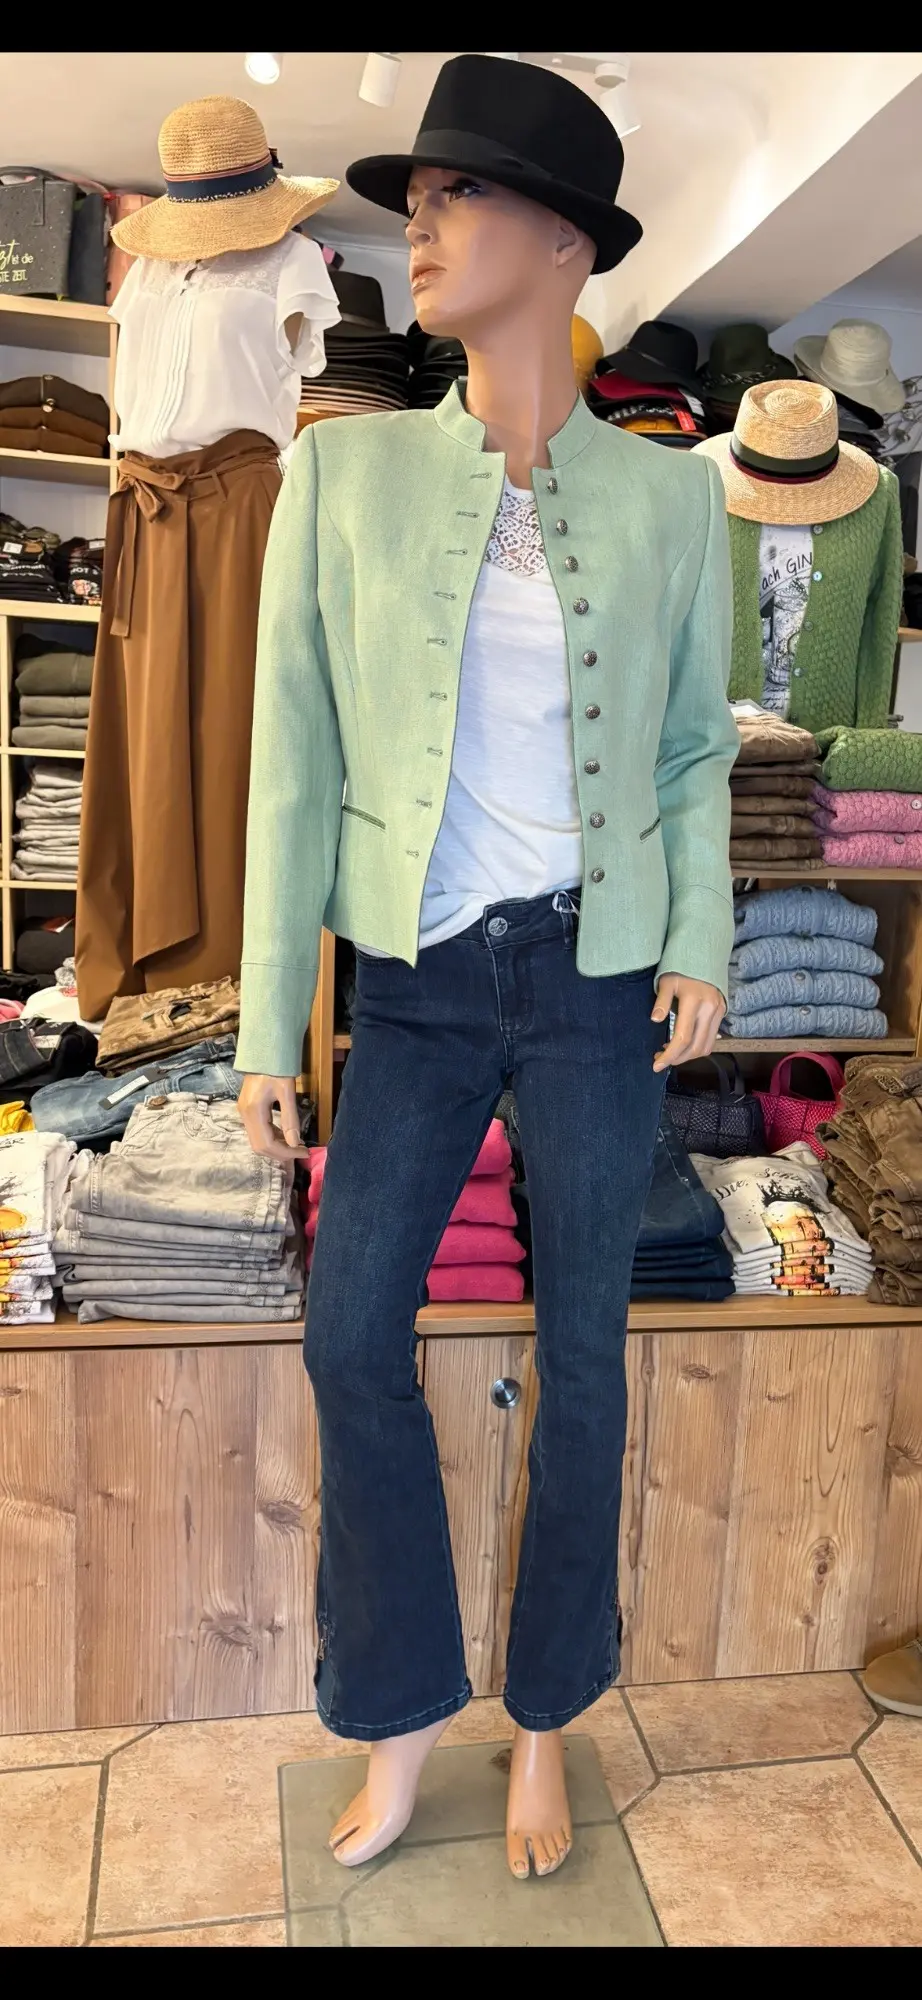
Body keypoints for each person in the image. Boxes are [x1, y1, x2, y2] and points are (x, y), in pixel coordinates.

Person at [236, 54, 738, 1879]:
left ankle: (543, 1724)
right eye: (421, 200)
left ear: (561, 241)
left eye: (457, 198)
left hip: (599, 979)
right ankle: (394, 1713)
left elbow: (690, 749)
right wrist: (262, 1021)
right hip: (423, 978)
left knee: (585, 1353)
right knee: (349, 1330)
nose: (423, 229)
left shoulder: (673, 500)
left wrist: (700, 938)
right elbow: (293, 755)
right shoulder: (342, 472)